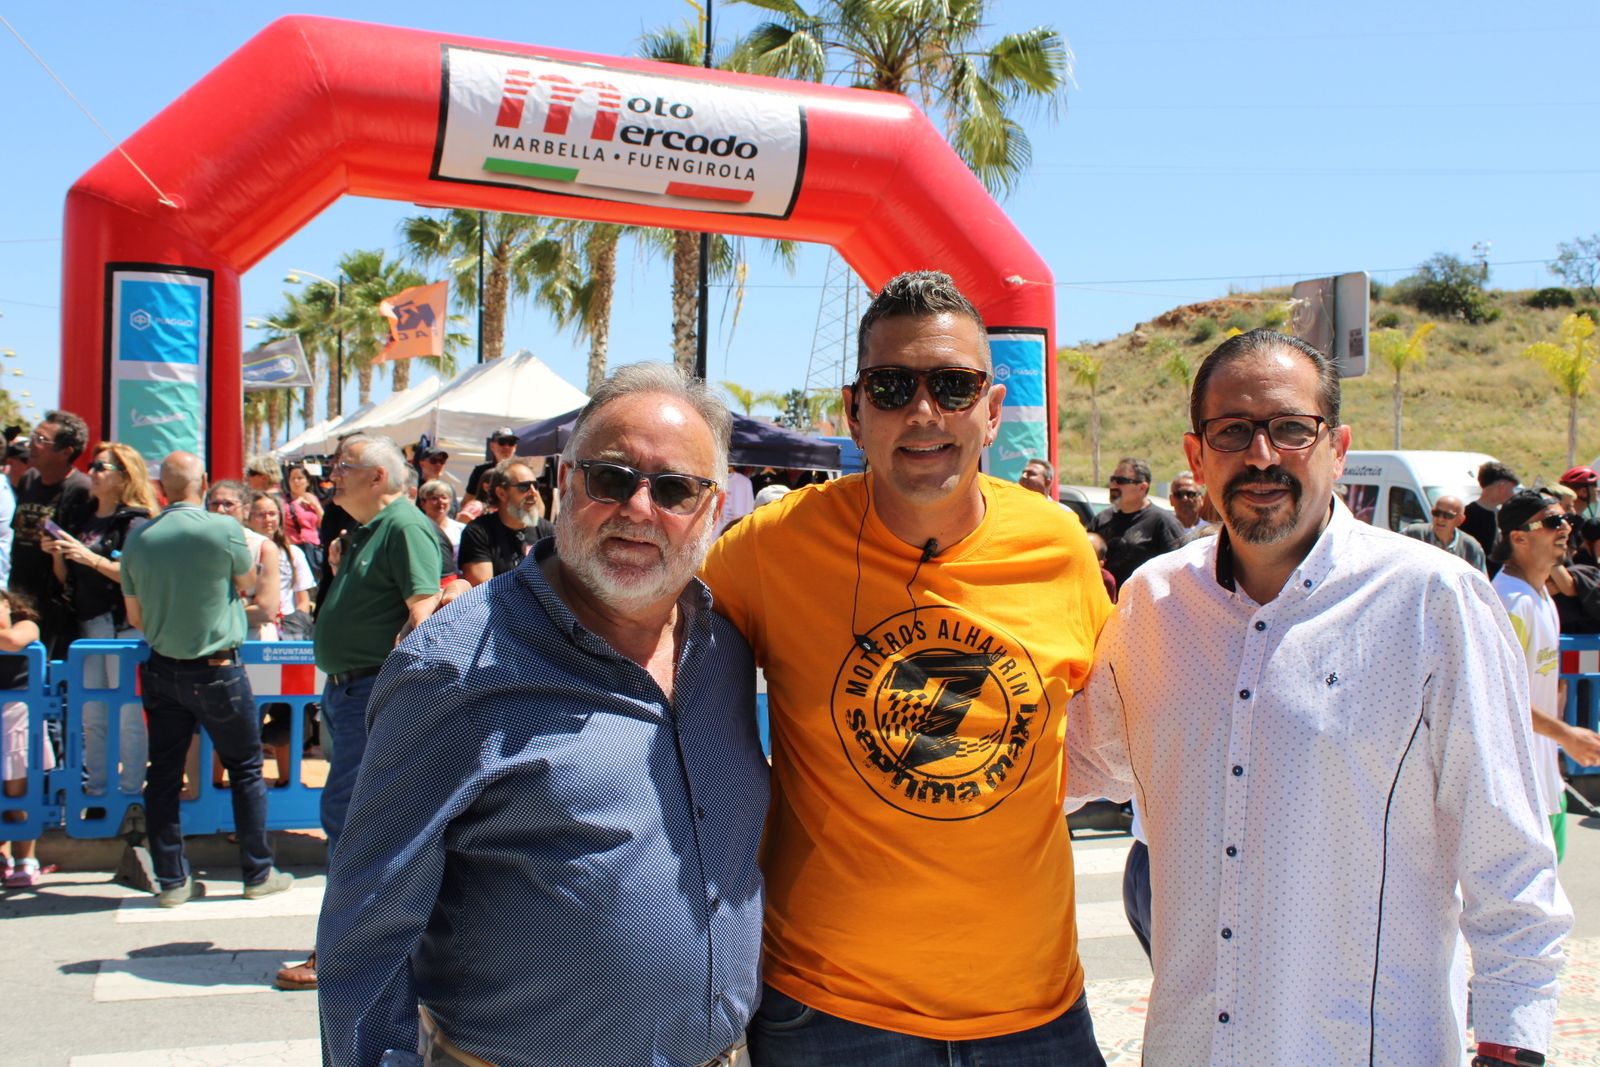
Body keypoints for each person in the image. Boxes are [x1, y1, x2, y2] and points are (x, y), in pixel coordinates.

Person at [1066, 328, 1572, 1064]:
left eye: (1291, 429)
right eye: (1233, 430)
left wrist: (1510, 1046)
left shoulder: (1432, 601)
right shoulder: (1154, 606)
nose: (1262, 455)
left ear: (1337, 447)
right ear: (1196, 454)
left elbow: (1510, 863)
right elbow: (1074, 767)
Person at [701, 271, 1112, 1065]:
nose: (924, 412)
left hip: (1035, 1014)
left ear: (992, 412)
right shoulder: (770, 546)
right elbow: (643, 648)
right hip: (830, 1013)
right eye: (892, 386)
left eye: (953, 386)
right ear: (854, 411)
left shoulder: (1057, 546)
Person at [318, 363, 767, 1067]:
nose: (639, 509)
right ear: (563, 483)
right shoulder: (456, 668)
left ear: (712, 510)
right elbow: (366, 937)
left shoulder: (725, 651)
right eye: (611, 477)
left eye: (677, 488)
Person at [275, 432, 441, 991]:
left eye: (344, 467)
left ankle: (341, 953)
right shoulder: (368, 531)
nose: (332, 476)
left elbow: (425, 612)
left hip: (369, 692)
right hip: (351, 691)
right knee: (350, 822)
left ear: (377, 477)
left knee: (351, 825)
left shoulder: (402, 527)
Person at [119, 452, 293, 907]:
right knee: (246, 769)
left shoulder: (139, 538)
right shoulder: (223, 529)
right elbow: (249, 580)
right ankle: (257, 871)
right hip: (217, 668)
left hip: (162, 667)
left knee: (164, 775)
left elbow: (134, 614)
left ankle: (173, 881)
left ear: (162, 486)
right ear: (204, 483)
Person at [1491, 490, 1600, 864]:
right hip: (1516, 794)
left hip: (1547, 787)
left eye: (1566, 520)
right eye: (1552, 522)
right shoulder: (1507, 603)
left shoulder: (1542, 599)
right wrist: (1567, 735)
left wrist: (1556, 749)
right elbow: (1498, 697)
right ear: (1518, 538)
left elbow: (1544, 689)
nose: (1566, 527)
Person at [41, 442, 156, 796]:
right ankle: (97, 790)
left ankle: (131, 791)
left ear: (124, 477)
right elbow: (68, 580)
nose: (91, 472)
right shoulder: (83, 516)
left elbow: (134, 575)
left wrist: (86, 557)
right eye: (92, 466)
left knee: (128, 716)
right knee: (92, 714)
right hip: (89, 625)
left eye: (100, 467)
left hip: (124, 626)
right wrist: (59, 555)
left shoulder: (135, 520)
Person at [9, 411, 94, 658]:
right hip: (19, 595)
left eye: (41, 440)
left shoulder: (81, 490)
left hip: (55, 607)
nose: (31, 444)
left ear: (66, 451)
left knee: (50, 678)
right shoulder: (29, 479)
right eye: (34, 435)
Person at [0, 590, 50, 889]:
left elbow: (13, 641)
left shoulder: (26, 624)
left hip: (16, 714)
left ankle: (25, 857)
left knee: (18, 792)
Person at [1089, 456, 1185, 588]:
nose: (1113, 485)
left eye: (1120, 481)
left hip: (1143, 603)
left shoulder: (1163, 522)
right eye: (1112, 480)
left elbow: (1178, 568)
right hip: (1105, 603)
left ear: (1142, 487)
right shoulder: (1101, 519)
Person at [457, 459, 551, 586]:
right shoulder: (478, 532)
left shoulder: (548, 530)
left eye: (536, 485)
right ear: (501, 493)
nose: (534, 493)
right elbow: (482, 590)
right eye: (524, 487)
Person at [207, 481, 280, 641]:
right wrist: (245, 602)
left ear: (246, 509)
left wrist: (211, 612)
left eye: (228, 504)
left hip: (252, 641)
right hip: (208, 644)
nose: (220, 510)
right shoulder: (198, 546)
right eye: (215, 504)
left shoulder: (262, 547)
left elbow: (266, 611)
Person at [1400, 492, 1488, 574]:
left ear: (1460, 519)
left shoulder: (1471, 548)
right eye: (1436, 513)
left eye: (1447, 515)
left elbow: (1480, 583)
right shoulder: (1412, 534)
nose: (1440, 519)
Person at [1461, 459, 1518, 561]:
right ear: (1502, 486)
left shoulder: (1501, 515)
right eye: (1512, 489)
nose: (1513, 494)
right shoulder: (1467, 515)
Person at [417, 479, 465, 581]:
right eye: (434, 498)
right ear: (422, 502)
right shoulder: (416, 528)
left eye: (444, 497)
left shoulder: (461, 529)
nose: (440, 502)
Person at [461, 426, 519, 509]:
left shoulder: (522, 473)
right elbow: (467, 502)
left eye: (511, 443)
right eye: (502, 442)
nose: (506, 446)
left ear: (515, 447)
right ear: (492, 446)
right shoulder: (480, 472)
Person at [281, 463, 324, 573]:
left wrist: (316, 506)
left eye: (299, 478)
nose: (296, 482)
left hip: (313, 547)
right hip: (293, 547)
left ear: (307, 481)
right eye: (292, 479)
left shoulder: (313, 498)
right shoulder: (284, 501)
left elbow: (322, 524)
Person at [1167, 470, 1208, 534]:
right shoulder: (1163, 530)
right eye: (1179, 494)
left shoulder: (1211, 533)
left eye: (1190, 494)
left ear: (1201, 499)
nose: (1185, 499)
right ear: (1171, 500)